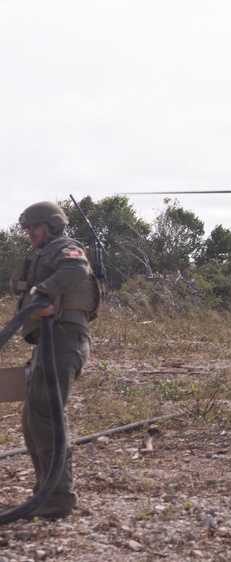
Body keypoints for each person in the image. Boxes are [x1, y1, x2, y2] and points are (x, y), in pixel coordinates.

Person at [10, 201, 100, 519]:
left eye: (34, 226)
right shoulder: (45, 254)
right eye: (27, 228)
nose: (29, 233)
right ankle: (45, 493)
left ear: (51, 225)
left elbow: (77, 269)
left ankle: (59, 497)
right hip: (48, 344)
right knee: (33, 421)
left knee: (47, 416)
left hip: (63, 340)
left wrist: (44, 289)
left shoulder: (66, 247)